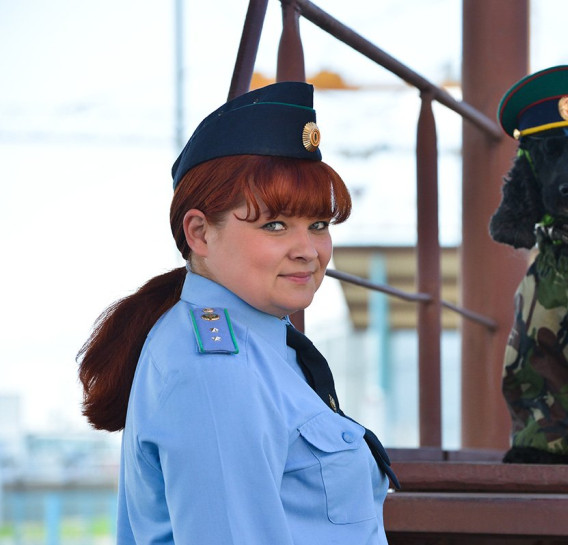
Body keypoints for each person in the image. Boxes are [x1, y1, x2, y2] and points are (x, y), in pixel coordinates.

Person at [78, 81, 395, 544]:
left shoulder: (262, 346)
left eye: (319, 224)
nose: (308, 250)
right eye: (275, 225)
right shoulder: (216, 370)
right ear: (200, 233)